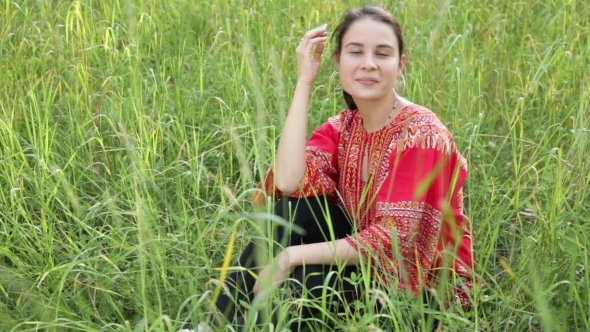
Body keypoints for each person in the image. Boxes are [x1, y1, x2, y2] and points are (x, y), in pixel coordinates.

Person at [186, 5, 476, 332]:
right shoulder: (344, 127)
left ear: (400, 65)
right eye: (356, 52)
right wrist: (304, 83)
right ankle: (209, 327)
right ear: (338, 61)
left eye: (382, 54)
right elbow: (288, 182)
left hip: (419, 291)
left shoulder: (423, 135)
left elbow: (391, 239)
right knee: (293, 212)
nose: (368, 63)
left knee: (307, 282)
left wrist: (290, 257)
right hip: (367, 267)